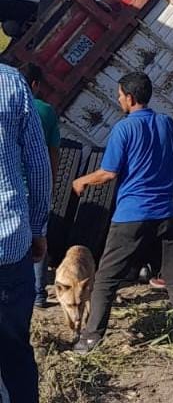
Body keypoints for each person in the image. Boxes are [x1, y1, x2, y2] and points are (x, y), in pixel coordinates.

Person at [71, 72, 173, 355]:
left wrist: (81, 181)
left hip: (131, 215)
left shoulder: (123, 129)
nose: (119, 100)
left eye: (119, 95)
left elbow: (109, 173)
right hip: (166, 215)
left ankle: (91, 339)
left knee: (106, 279)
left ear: (129, 97)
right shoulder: (166, 123)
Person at [0, 62, 51, 403]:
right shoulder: (11, 82)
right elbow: (38, 164)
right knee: (14, 350)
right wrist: (37, 228)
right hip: (8, 244)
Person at [23, 64, 61, 308]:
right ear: (35, 85)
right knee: (38, 236)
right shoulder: (45, 111)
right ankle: (38, 294)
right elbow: (53, 152)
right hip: (36, 186)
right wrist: (52, 181)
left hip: (10, 187)